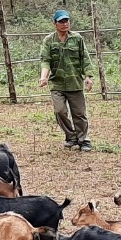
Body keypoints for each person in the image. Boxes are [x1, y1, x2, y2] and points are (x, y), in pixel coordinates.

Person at [38, 9, 94, 151]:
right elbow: (46, 61)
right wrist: (43, 77)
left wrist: (88, 76)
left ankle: (83, 140)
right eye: (61, 21)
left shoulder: (77, 38)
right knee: (60, 111)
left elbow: (85, 59)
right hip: (57, 83)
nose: (65, 24)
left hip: (74, 82)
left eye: (66, 21)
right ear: (55, 24)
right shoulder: (49, 41)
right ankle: (71, 136)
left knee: (79, 113)